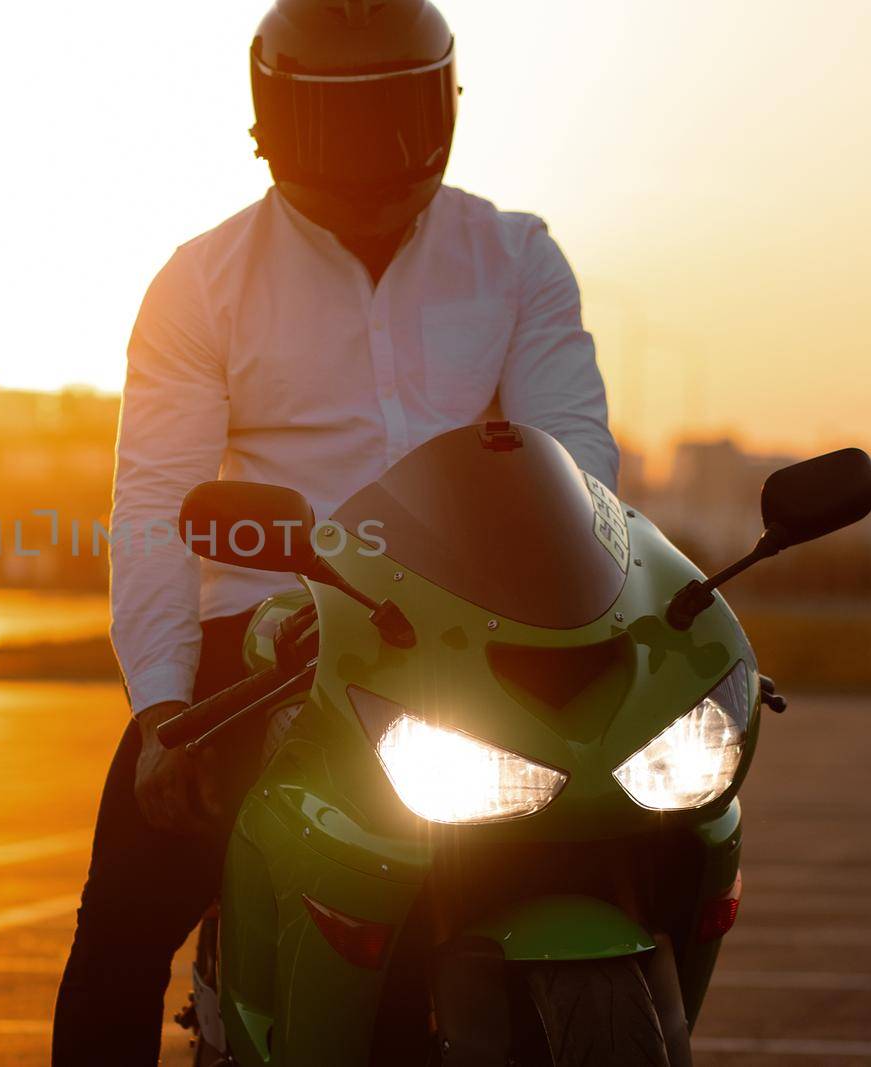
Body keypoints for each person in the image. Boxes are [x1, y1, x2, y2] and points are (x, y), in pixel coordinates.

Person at [52, 1, 619, 1062]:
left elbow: (577, 464)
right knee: (123, 925)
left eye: (396, 110)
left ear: (441, 103)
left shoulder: (516, 256)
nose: (372, 153)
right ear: (274, 115)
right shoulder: (199, 280)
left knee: (626, 834)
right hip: (264, 636)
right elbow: (155, 504)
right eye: (339, 119)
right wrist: (166, 707)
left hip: (471, 632)